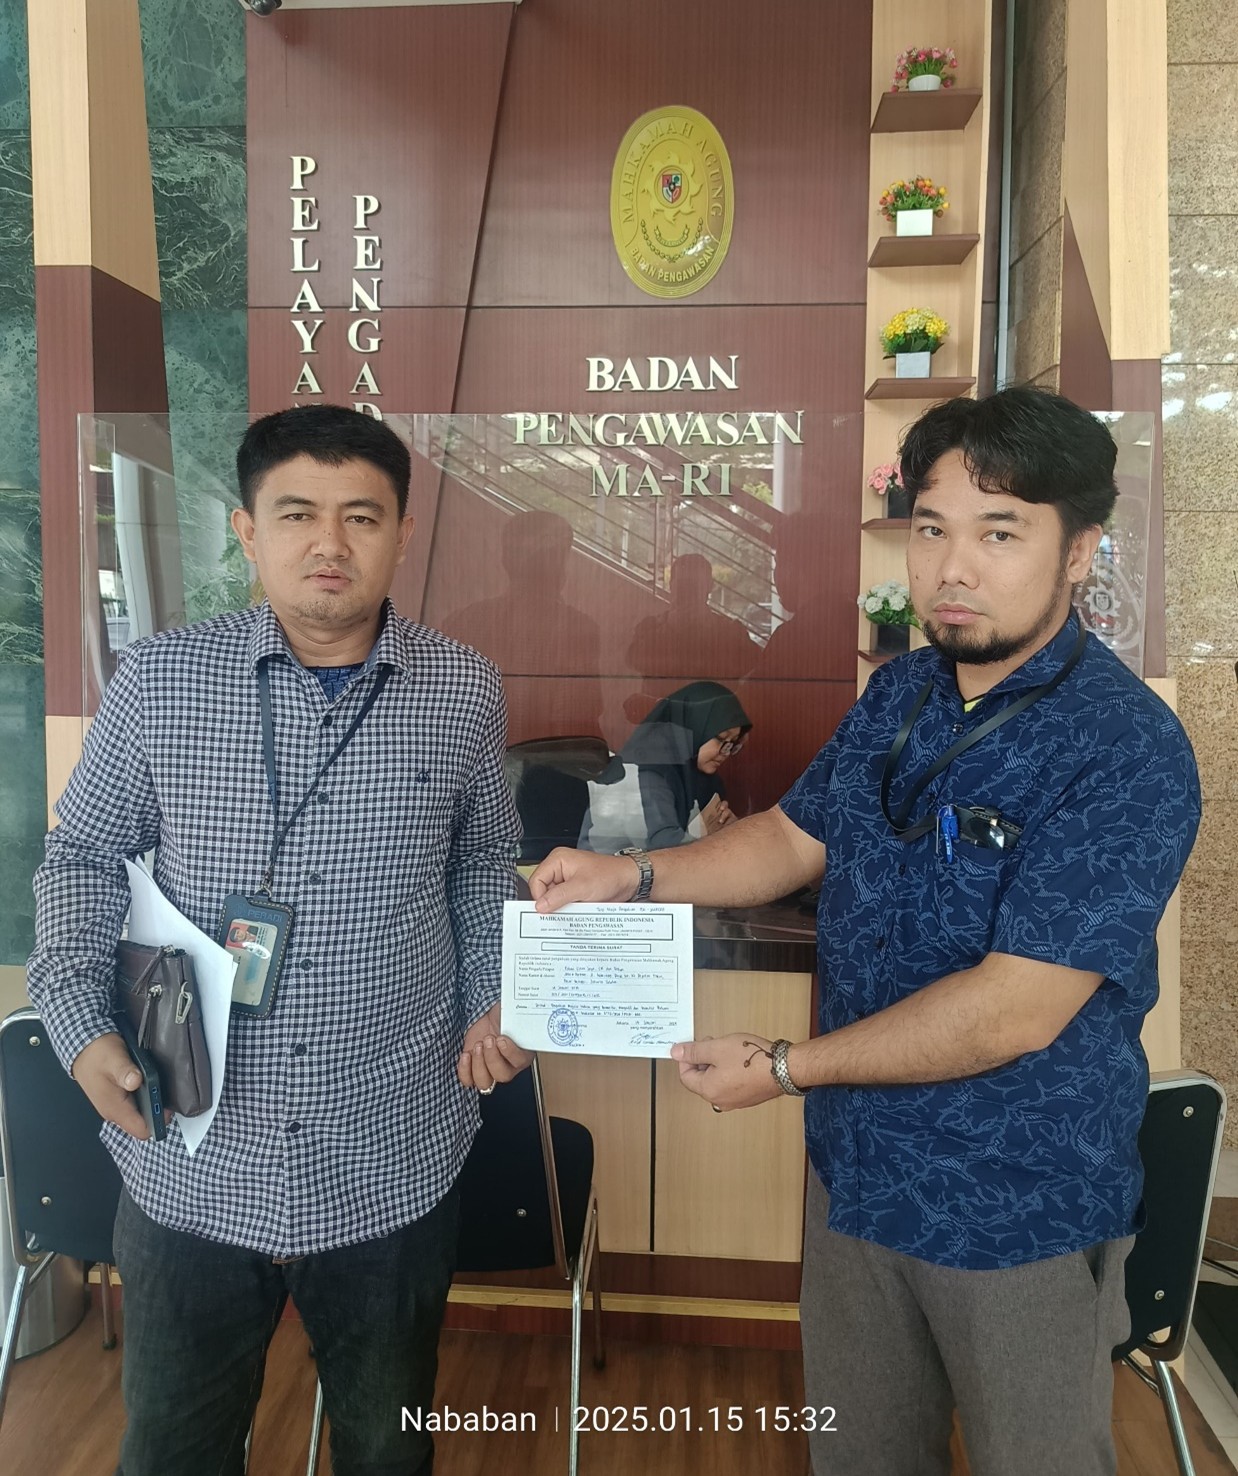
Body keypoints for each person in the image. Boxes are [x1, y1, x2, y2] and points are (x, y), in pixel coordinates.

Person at [531, 386, 1201, 1476]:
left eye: (999, 533)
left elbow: (1015, 1009)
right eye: (931, 529)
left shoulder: (1123, 747)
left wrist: (785, 1069)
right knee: (859, 1457)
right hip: (857, 1177)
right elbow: (792, 839)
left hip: (1015, 1204)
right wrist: (637, 873)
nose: (952, 567)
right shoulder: (901, 694)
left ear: (1079, 552)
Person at [27, 405, 530, 1476]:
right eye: (297, 514)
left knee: (385, 1448)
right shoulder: (159, 680)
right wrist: (75, 1022)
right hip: (189, 1149)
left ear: (403, 533)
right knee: (175, 1449)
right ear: (248, 531)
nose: (329, 543)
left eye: (362, 516)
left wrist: (495, 990)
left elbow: (484, 863)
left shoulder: (463, 689)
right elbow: (81, 858)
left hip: (389, 1145)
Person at [578, 680, 751, 852]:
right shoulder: (649, 771)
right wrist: (723, 842)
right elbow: (663, 844)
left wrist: (728, 829)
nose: (726, 752)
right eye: (721, 739)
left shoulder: (699, 777)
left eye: (733, 744)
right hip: (607, 865)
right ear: (695, 727)